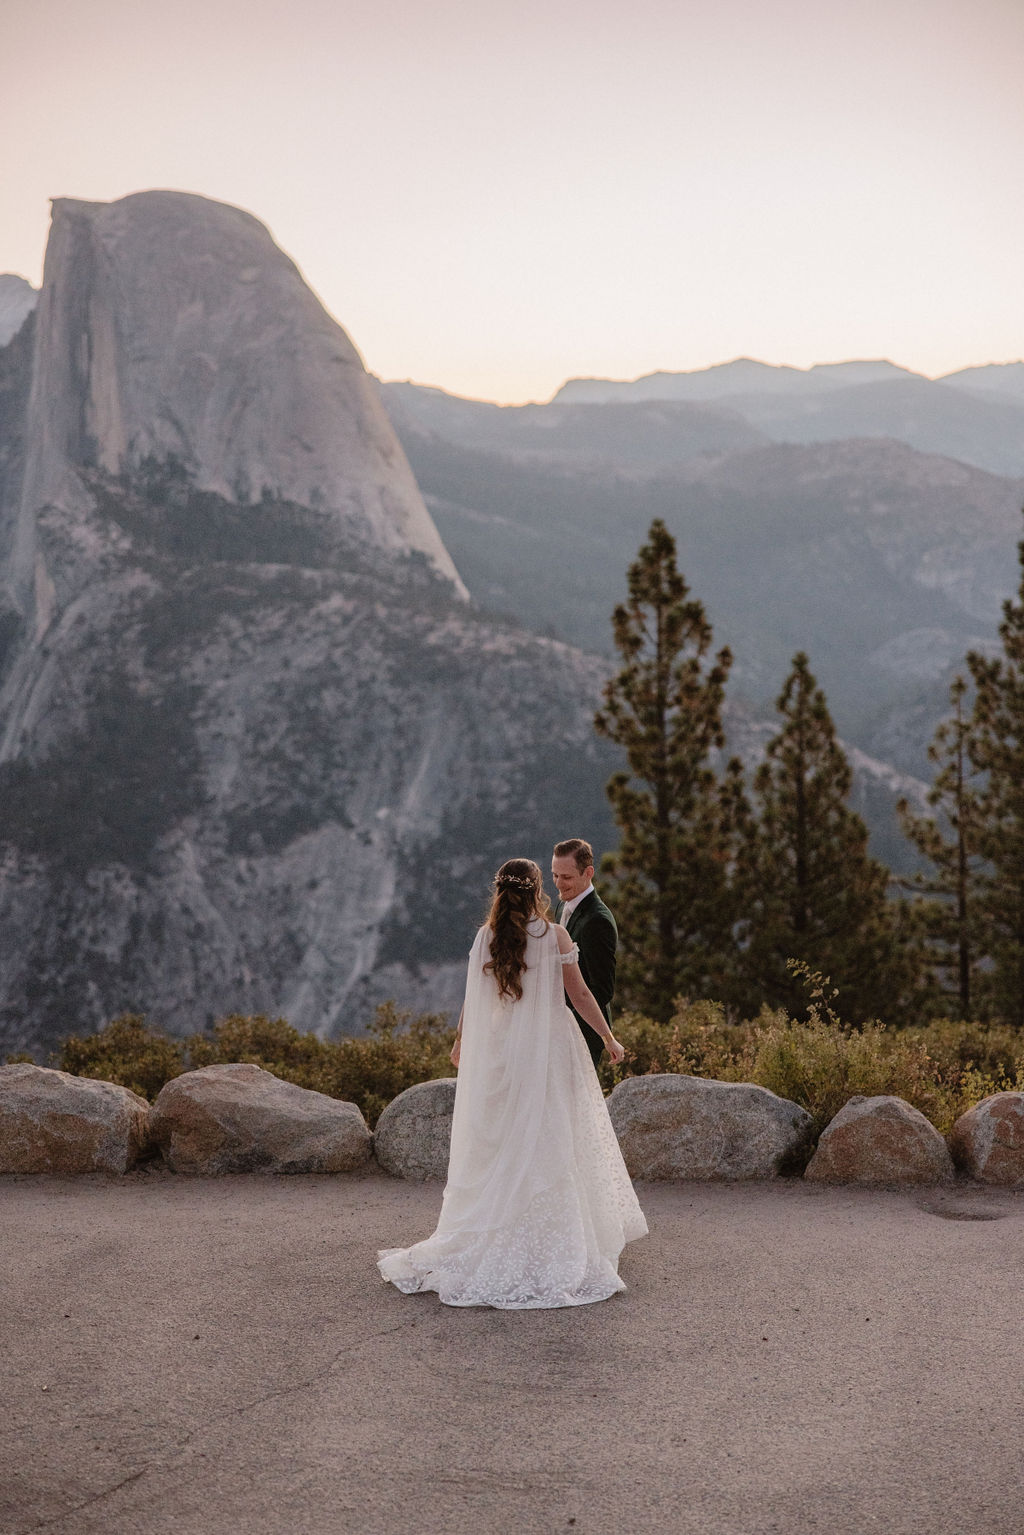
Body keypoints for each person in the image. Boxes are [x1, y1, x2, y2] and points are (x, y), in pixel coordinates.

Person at [377, 857, 648, 1308]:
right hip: (548, 1046)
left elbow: (473, 997)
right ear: (538, 890)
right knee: (551, 1133)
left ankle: (497, 1223)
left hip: (503, 1048)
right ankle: (553, 1238)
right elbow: (580, 994)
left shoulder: (486, 937)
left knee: (504, 1138)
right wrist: (608, 1036)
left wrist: (463, 1040)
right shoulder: (553, 935)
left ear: (500, 892)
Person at [551, 838, 617, 1070]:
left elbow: (603, 989)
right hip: (557, 1032)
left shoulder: (597, 920)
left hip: (583, 1033)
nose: (559, 884)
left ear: (588, 872)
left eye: (566, 877)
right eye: (555, 875)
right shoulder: (563, 905)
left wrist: (568, 1019)